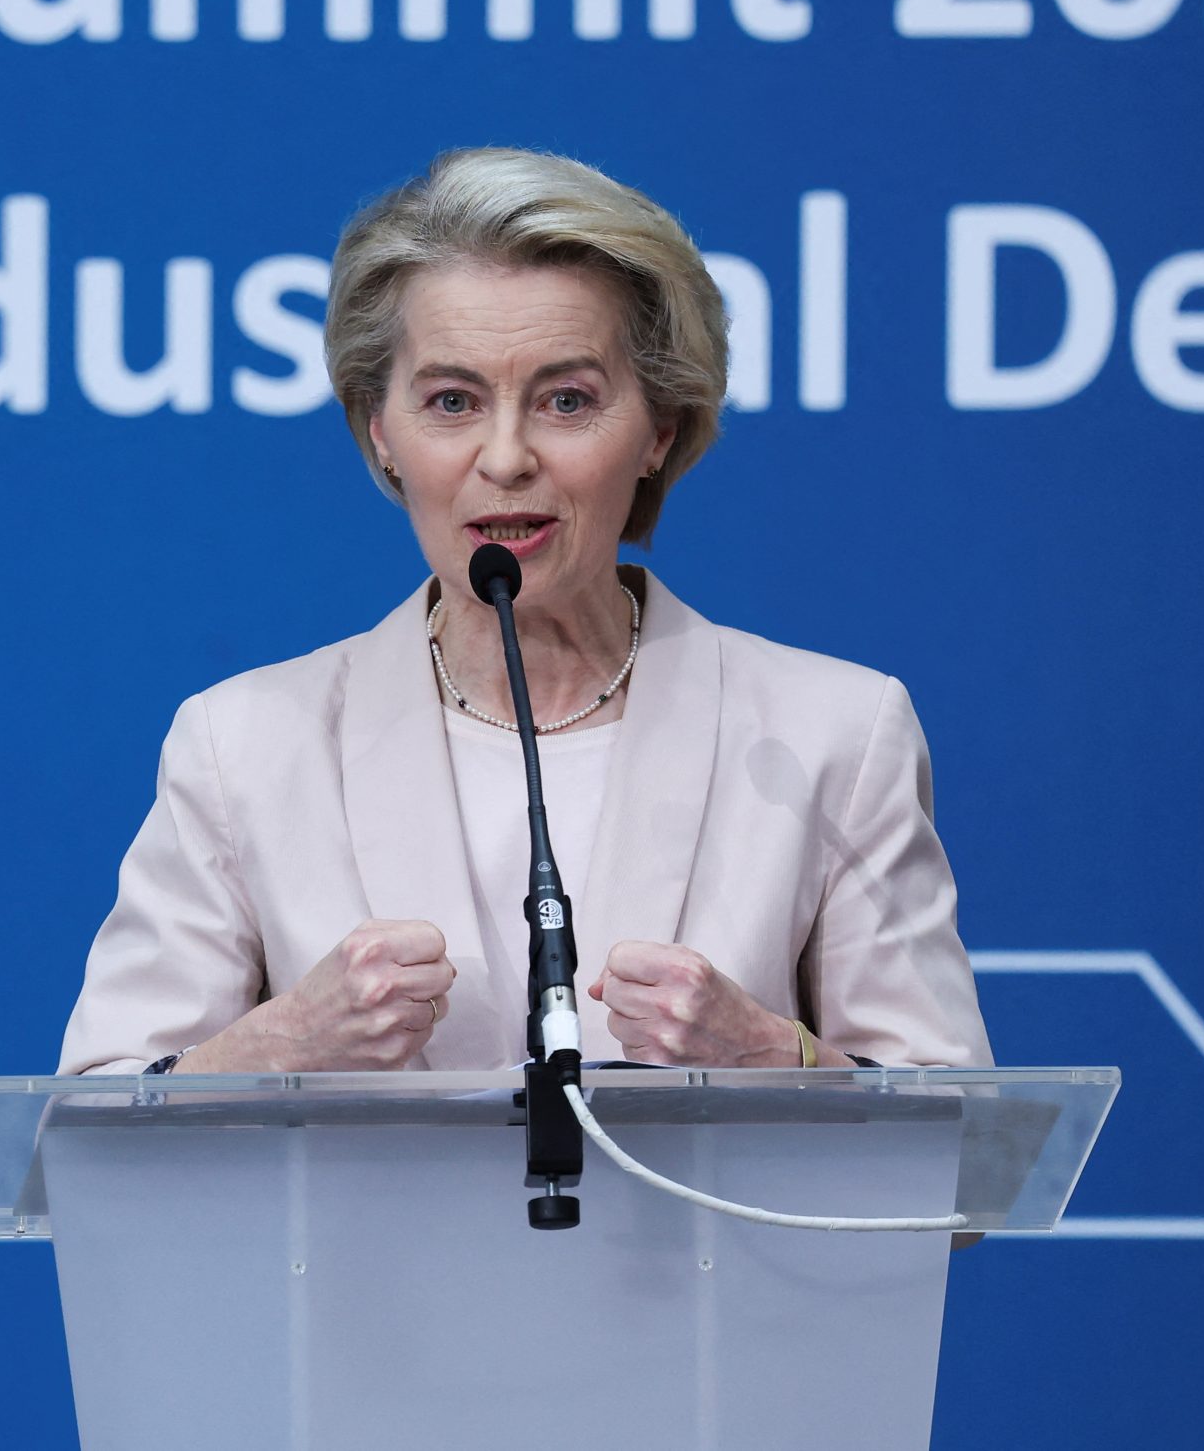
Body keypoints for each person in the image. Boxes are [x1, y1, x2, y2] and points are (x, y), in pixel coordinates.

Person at [59, 148, 990, 1077]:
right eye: (452, 400)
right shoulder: (244, 747)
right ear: (381, 432)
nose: (505, 457)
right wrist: (274, 1048)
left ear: (659, 429)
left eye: (567, 400)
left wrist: (780, 1059)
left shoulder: (832, 735)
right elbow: (91, 1129)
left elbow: (970, 1146)